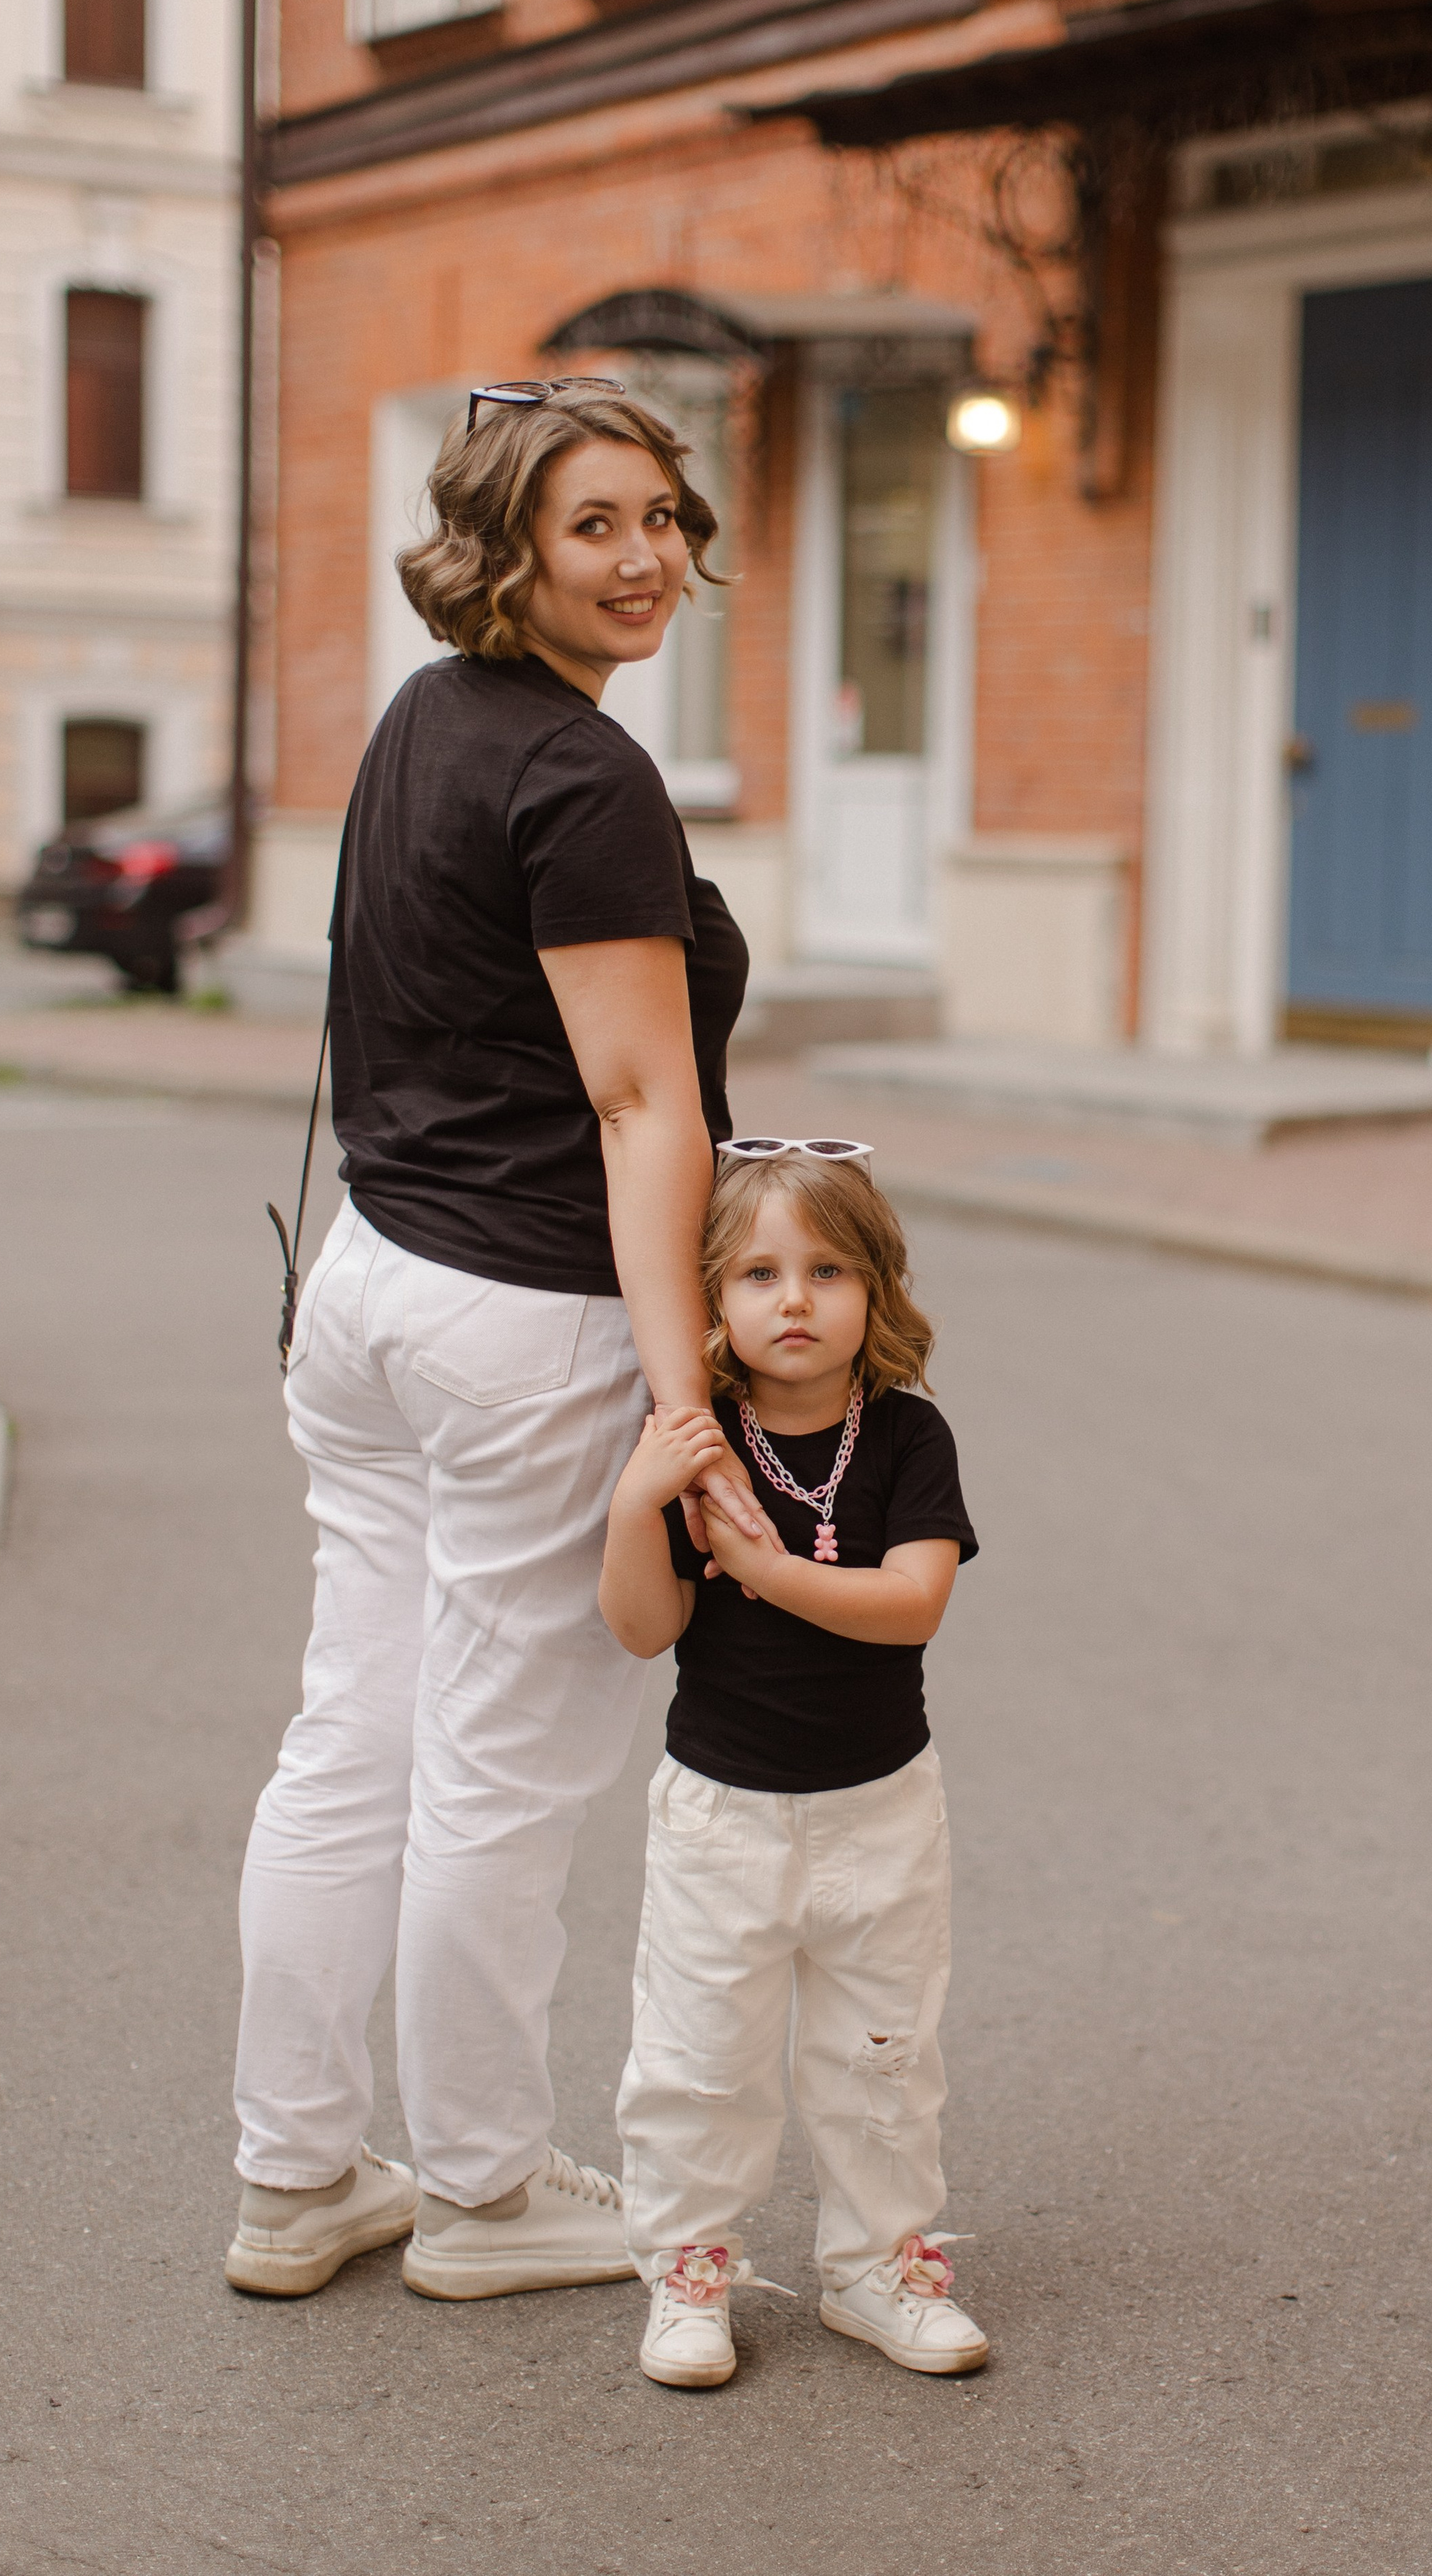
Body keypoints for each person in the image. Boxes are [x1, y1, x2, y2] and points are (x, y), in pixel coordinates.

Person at [225, 378, 774, 2305]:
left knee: (352, 1734)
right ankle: (478, 2193)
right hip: (521, 1313)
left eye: (662, 518)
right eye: (593, 525)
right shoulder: (584, 775)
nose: (644, 559)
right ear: (504, 550)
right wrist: (685, 1393)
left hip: (373, 1289)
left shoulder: (424, 722)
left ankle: (297, 2181)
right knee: (501, 1768)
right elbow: (646, 1109)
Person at [597, 1143, 989, 2387]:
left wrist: (765, 1574)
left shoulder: (909, 1440)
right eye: (759, 1273)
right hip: (723, 1817)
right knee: (701, 2055)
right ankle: (690, 2267)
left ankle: (877, 2264)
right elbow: (646, 1628)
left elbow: (912, 1602)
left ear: (874, 1288)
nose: (795, 1299)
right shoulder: (695, 1446)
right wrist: (631, 1508)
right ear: (711, 1302)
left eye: (826, 1269)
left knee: (882, 2053)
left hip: (882, 1812)